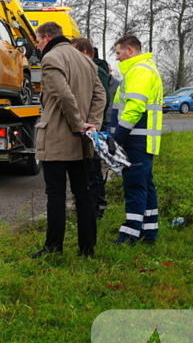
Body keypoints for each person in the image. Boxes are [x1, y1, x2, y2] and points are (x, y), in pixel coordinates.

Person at [31, 22, 107, 258]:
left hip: (57, 137)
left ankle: (53, 248)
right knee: (83, 194)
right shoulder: (85, 60)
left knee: (56, 195)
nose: (36, 45)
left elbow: (63, 94)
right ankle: (87, 248)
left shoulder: (51, 58)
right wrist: (91, 125)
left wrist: (77, 125)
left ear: (46, 37)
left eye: (37, 40)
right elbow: (100, 95)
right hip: (81, 141)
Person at [109, 34, 164, 245]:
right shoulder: (145, 69)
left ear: (130, 50)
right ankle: (149, 234)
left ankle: (129, 236)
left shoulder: (139, 71)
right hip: (143, 141)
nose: (118, 57)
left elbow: (134, 108)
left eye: (119, 52)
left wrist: (118, 137)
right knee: (145, 187)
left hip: (135, 141)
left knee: (135, 188)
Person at [72, 38, 111, 217]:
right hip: (89, 126)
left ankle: (97, 207)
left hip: (95, 128)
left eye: (75, 52)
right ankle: (89, 205)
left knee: (93, 168)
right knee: (87, 168)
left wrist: (93, 124)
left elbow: (100, 99)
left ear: (86, 52)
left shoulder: (96, 70)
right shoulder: (89, 68)